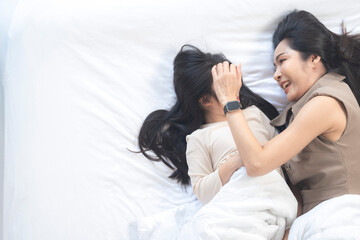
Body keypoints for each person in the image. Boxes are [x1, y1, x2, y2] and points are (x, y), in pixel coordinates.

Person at [211, 10, 360, 239]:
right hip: (314, 222)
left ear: (313, 58)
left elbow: (258, 162)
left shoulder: (326, 103)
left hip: (341, 219)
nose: (276, 75)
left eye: (282, 61)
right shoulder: (301, 109)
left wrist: (230, 101)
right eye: (274, 67)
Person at [138, 45, 297, 239]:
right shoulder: (199, 138)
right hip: (232, 205)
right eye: (225, 86)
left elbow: (285, 159)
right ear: (205, 100)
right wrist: (236, 161)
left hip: (269, 198)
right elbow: (203, 192)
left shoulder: (254, 115)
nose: (234, 89)